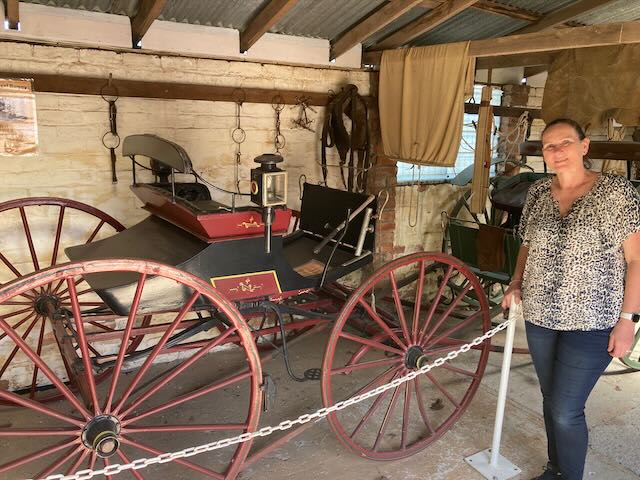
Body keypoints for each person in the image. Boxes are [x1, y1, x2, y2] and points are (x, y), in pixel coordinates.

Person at [501, 118, 640, 480]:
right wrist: (515, 282)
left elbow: (636, 260)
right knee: (551, 400)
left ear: (584, 146)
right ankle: (556, 469)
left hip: (593, 320)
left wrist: (628, 320)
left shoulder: (616, 192)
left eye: (565, 142)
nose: (557, 151)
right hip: (540, 315)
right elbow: (527, 244)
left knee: (565, 409)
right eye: (549, 146)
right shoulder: (537, 193)